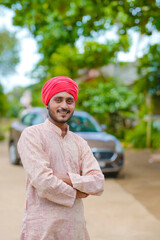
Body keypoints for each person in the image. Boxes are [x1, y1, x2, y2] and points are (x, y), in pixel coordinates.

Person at [18, 76, 104, 240]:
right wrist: (79, 192)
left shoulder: (80, 143)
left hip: (76, 231)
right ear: (47, 103)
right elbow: (44, 183)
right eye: (58, 99)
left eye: (69, 101)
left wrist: (65, 178)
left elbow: (98, 182)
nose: (64, 106)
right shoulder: (32, 135)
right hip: (42, 232)